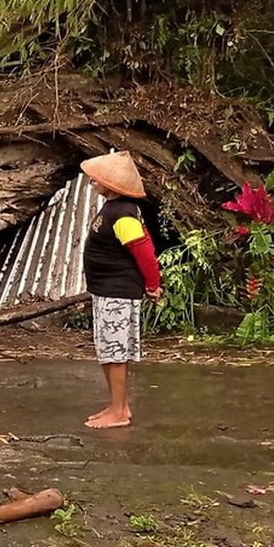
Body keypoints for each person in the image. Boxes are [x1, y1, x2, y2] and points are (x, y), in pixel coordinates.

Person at [80, 151, 162, 430]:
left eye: (96, 181)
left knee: (115, 352)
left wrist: (153, 285)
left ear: (112, 185)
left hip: (118, 292)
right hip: (105, 291)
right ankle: (119, 405)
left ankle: (119, 412)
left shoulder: (124, 214)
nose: (93, 183)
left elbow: (145, 253)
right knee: (106, 350)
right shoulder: (113, 207)